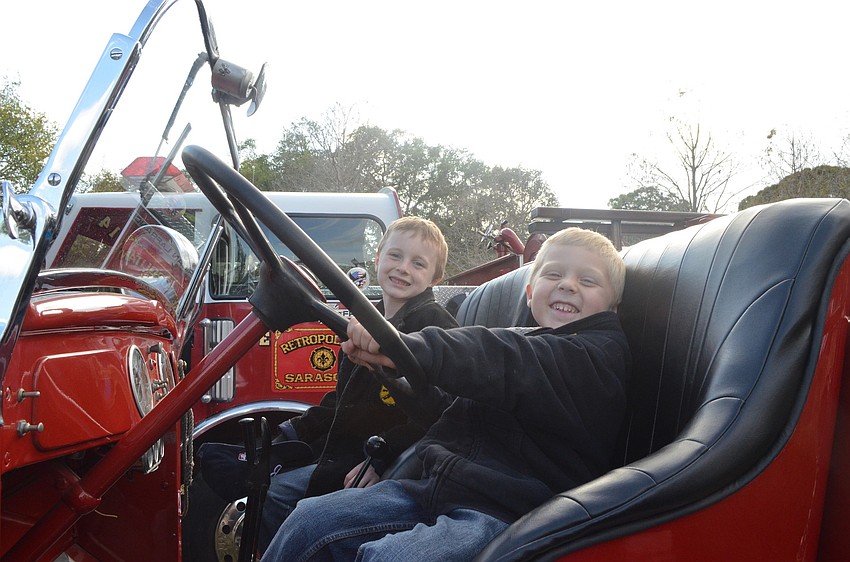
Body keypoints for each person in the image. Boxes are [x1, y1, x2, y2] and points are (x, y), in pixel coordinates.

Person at [261, 226, 631, 561]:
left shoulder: (596, 355)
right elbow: (445, 413)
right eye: (554, 274)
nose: (568, 285)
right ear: (531, 292)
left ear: (612, 305)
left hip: (510, 513)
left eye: (587, 280)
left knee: (392, 558)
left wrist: (407, 347)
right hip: (436, 488)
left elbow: (502, 356)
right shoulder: (530, 338)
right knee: (309, 518)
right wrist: (390, 370)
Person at [257, 216, 459, 552]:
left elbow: (441, 410)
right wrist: (294, 431)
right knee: (263, 476)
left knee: (275, 496)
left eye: (418, 263)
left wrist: (379, 459)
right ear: (377, 258)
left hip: (388, 460)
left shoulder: (435, 327)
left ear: (435, 277)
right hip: (346, 449)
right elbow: (343, 399)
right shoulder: (362, 321)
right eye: (395, 256)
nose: (403, 268)